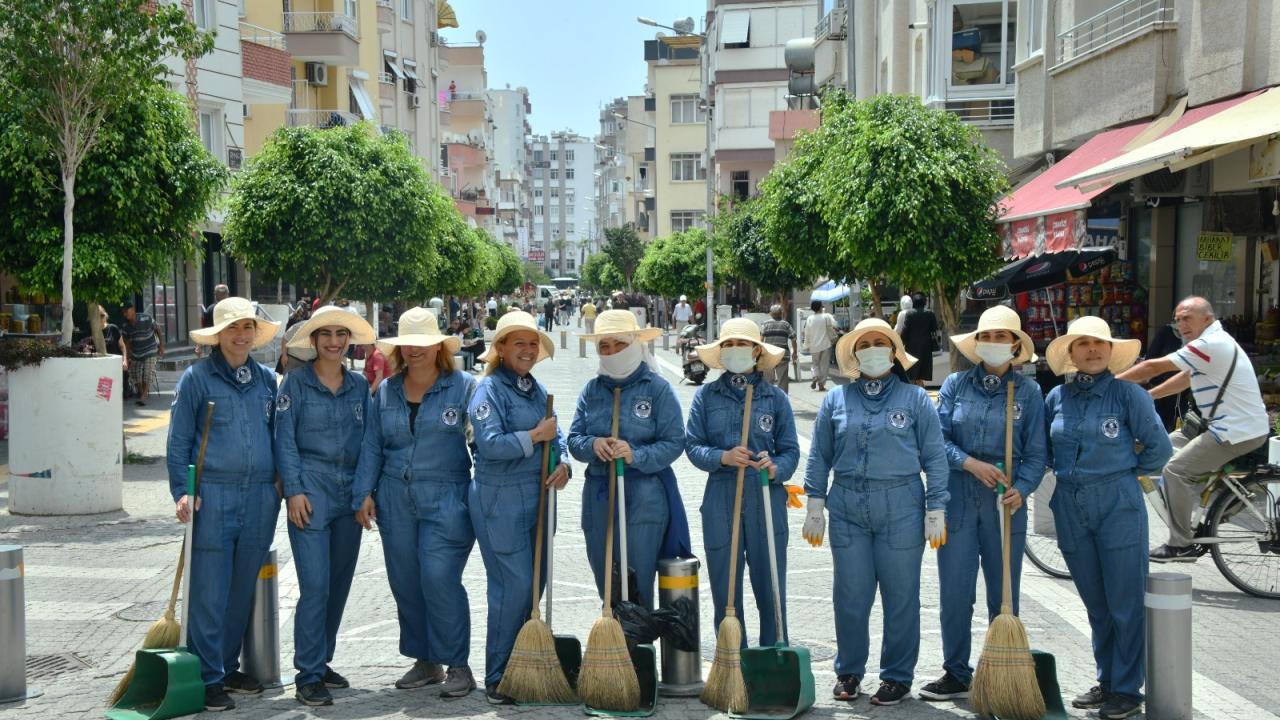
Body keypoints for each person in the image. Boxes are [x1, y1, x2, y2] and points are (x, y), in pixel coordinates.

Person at [802, 318, 949, 706]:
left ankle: (897, 676)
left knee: (901, 596)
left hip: (901, 506)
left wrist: (937, 507)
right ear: (854, 354)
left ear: (893, 351)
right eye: (863, 343)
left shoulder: (916, 400)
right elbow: (819, 454)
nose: (871, 349)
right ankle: (849, 671)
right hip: (848, 505)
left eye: (879, 342)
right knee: (850, 595)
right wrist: (814, 503)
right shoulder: (836, 399)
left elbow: (935, 457)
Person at [1044, 316, 1172, 720]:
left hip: (1118, 504)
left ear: (1111, 351)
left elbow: (1159, 450)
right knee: (1096, 603)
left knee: (1125, 601)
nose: (1092, 350)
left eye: (1099, 343)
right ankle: (1107, 680)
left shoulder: (1129, 396)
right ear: (1071, 353)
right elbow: (1045, 451)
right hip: (1069, 506)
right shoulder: (1056, 400)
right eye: (1082, 344)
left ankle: (1127, 691)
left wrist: (1123, 474)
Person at [919, 306, 1047, 702]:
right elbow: (936, 441)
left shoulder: (1028, 391)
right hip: (959, 498)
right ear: (977, 344)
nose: (993, 344)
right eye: (986, 337)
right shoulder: (955, 384)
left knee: (1003, 592)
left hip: (1005, 503)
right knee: (955, 592)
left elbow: (1038, 453)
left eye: (1001, 338)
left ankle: (1001, 672)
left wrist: (1023, 488)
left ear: (1014, 346)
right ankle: (956, 671)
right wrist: (970, 464)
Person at [351, 308, 478, 698]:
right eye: (408, 343)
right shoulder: (386, 390)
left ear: (438, 346)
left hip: (447, 498)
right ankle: (425, 660)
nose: (415, 350)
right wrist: (363, 492)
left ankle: (457, 664)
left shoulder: (465, 387)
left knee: (439, 578)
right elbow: (372, 444)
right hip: (394, 498)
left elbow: (481, 440)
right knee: (406, 581)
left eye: (423, 343)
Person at [166, 297, 281, 712]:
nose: (242, 335)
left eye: (248, 327)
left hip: (260, 497)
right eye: (233, 328)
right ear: (218, 335)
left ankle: (227, 664)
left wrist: (283, 481)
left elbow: (279, 435)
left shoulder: (268, 380)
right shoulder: (196, 380)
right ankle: (207, 675)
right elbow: (179, 441)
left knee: (240, 588)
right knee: (210, 590)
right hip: (212, 495)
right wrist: (182, 488)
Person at [1116, 296, 1269, 563]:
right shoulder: (1211, 344)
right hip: (1229, 427)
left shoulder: (1210, 343)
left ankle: (1180, 544)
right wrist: (1148, 396)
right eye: (1177, 320)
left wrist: (1105, 385)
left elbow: (1153, 366)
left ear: (1207, 318)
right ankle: (1214, 507)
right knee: (1165, 445)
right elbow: (1185, 378)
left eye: (1187, 317)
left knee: (1175, 471)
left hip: (1235, 432)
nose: (1181, 325)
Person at [467, 311, 571, 704]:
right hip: (499, 497)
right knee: (513, 587)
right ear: (501, 348)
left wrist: (563, 465)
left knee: (534, 585)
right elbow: (490, 446)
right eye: (518, 343)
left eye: (532, 343)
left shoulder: (536, 389)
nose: (527, 350)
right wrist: (534, 435)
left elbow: (556, 435)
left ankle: (519, 664)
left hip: (539, 495)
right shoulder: (487, 390)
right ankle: (497, 676)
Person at [273, 307, 375, 706]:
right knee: (314, 586)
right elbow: (284, 440)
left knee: (337, 586)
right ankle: (308, 674)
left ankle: (323, 659)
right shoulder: (293, 386)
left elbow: (369, 443)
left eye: (340, 334)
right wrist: (294, 490)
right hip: (310, 496)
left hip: (349, 497)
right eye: (326, 334)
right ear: (313, 341)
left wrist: (365, 493)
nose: (334, 341)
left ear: (348, 341)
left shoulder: (359, 387)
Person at [686, 319, 800, 650]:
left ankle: (775, 659)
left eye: (742, 344)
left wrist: (775, 466)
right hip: (721, 494)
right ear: (721, 352)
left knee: (771, 586)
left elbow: (791, 450)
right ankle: (732, 664)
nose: (736, 350)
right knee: (725, 588)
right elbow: (693, 445)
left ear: (756, 350)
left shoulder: (775, 398)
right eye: (729, 344)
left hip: (765, 493)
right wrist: (722, 456)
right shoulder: (706, 396)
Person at [569, 311, 687, 609]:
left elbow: (675, 442)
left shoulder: (657, 389)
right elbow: (574, 438)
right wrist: (594, 444)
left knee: (638, 577)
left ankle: (639, 648)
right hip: (598, 493)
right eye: (604, 347)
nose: (612, 352)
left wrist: (636, 454)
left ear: (635, 344)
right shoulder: (592, 391)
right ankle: (611, 645)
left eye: (619, 344)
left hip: (645, 495)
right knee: (604, 574)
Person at [121, 304, 164, 406]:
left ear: (133, 310)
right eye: (123, 312)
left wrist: (161, 346)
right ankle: (141, 392)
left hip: (150, 350)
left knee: (148, 372)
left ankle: (143, 396)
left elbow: (158, 329)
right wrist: (126, 358)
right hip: (136, 352)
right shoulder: (125, 326)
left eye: (127, 311)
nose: (125, 314)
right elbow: (126, 343)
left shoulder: (146, 318)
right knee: (135, 374)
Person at [901, 293, 938, 386]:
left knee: (912, 371)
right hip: (926, 345)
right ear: (924, 302)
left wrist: (902, 343)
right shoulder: (930, 314)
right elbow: (934, 329)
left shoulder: (909, 314)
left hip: (911, 346)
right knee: (922, 370)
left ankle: (915, 390)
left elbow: (905, 330)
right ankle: (920, 388)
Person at [760, 304, 798, 392]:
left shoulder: (766, 324)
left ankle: (769, 399)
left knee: (768, 380)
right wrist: (794, 352)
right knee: (783, 381)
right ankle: (783, 400)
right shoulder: (786, 324)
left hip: (769, 356)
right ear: (781, 313)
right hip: (782, 355)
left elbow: (761, 340)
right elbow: (794, 339)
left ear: (771, 314)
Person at [803, 300, 837, 392]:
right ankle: (821, 385)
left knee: (815, 364)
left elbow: (807, 333)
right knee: (824, 365)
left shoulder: (810, 318)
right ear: (821, 307)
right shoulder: (826, 316)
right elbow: (835, 325)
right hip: (826, 344)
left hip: (814, 346)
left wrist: (806, 345)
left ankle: (815, 376)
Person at [196, 284, 231, 358]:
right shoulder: (234, 308)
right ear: (227, 294)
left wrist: (199, 346)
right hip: (234, 346)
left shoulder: (211, 309)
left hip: (217, 349)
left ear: (215, 296)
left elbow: (205, 329)